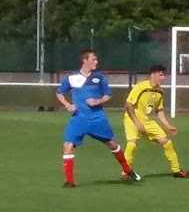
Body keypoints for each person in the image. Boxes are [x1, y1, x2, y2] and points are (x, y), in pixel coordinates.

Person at [55, 48, 139, 188]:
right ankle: (69, 181)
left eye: (96, 59)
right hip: (78, 119)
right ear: (84, 60)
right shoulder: (71, 78)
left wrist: (97, 101)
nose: (96, 62)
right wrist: (67, 105)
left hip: (97, 118)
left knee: (111, 144)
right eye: (93, 59)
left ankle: (127, 170)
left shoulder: (99, 77)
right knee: (67, 146)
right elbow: (59, 93)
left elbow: (108, 95)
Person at [122, 64, 188, 178]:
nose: (163, 78)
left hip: (146, 121)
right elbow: (128, 105)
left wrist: (168, 126)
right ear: (152, 75)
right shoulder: (140, 87)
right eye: (160, 75)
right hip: (131, 118)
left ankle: (176, 170)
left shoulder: (160, 92)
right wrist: (137, 122)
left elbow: (159, 110)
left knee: (167, 142)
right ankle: (126, 172)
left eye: (164, 75)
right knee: (132, 143)